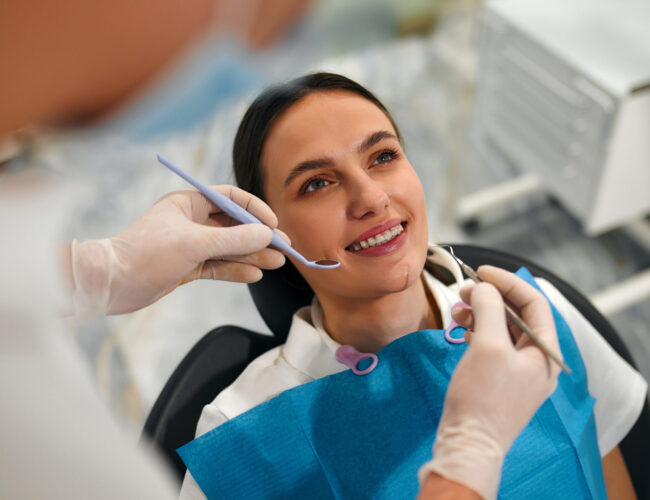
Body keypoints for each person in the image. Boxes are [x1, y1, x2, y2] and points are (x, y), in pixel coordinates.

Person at [178, 73, 646, 499]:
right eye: (317, 183)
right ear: (269, 231)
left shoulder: (537, 318)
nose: (373, 198)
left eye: (383, 156)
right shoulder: (240, 435)